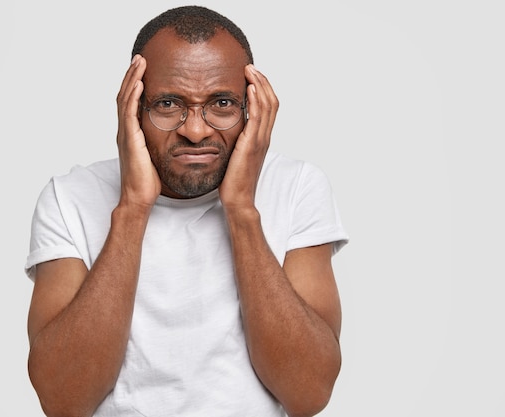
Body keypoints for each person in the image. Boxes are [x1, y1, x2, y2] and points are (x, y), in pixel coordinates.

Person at [24, 5, 349, 417]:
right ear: (133, 108)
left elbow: (309, 393)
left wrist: (242, 210)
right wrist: (133, 207)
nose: (195, 130)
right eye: (168, 105)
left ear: (254, 109)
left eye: (222, 104)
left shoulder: (298, 186)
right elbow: (63, 400)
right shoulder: (68, 197)